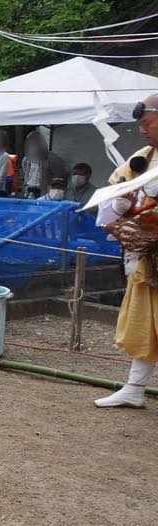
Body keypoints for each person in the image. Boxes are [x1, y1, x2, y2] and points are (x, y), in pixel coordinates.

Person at [94, 94, 158, 408]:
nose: (143, 131)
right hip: (147, 256)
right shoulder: (142, 157)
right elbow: (111, 196)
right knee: (144, 322)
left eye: (147, 123)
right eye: (140, 125)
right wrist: (119, 226)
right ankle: (135, 388)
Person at [18, 130, 68, 198]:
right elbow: (25, 168)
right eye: (30, 142)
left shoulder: (51, 158)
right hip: (29, 189)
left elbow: (61, 174)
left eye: (35, 142)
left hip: (43, 191)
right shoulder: (28, 157)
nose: (33, 145)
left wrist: (52, 186)